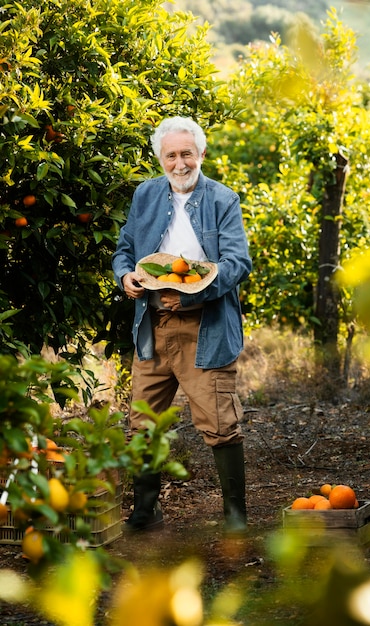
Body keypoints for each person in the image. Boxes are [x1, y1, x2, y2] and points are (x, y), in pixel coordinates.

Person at [112, 116, 252, 534]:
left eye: (186, 154)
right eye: (170, 155)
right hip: (152, 326)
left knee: (220, 423)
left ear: (201, 154)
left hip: (203, 329)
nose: (179, 163)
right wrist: (125, 276)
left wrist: (194, 292)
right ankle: (146, 511)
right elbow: (125, 247)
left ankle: (235, 516)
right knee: (143, 421)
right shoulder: (146, 195)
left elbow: (237, 263)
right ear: (161, 158)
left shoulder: (222, 199)